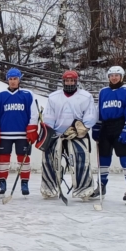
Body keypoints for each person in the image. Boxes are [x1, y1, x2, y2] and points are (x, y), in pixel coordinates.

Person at [39, 70, 97, 200]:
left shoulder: (86, 96)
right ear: (63, 81)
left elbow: (91, 115)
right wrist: (50, 131)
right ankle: (49, 188)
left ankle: (84, 190)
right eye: (67, 80)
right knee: (50, 161)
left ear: (76, 81)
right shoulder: (54, 96)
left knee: (81, 162)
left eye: (72, 80)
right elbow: (49, 116)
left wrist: (80, 129)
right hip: (57, 135)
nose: (69, 83)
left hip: (76, 135)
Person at [91, 66, 126, 203]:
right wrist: (96, 126)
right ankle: (101, 186)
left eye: (117, 75)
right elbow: (98, 110)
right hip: (106, 127)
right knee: (104, 159)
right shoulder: (103, 92)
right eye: (111, 75)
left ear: (122, 77)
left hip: (121, 126)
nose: (114, 77)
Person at [0, 68, 39, 195]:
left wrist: (32, 128)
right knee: (3, 158)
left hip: (22, 134)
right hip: (5, 134)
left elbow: (33, 113)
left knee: (23, 158)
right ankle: (2, 183)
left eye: (15, 79)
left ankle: (24, 183)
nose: (12, 81)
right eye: (10, 79)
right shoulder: (0, 96)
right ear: (7, 80)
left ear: (19, 80)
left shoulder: (27, 95)